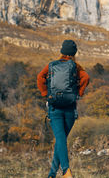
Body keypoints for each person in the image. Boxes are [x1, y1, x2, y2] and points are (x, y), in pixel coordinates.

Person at [37, 40, 90, 178]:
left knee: (60, 140)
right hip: (70, 108)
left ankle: (58, 173)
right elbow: (86, 77)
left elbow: (40, 77)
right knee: (61, 140)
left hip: (54, 107)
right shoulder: (76, 67)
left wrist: (45, 95)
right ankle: (61, 172)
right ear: (74, 53)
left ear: (62, 52)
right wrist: (79, 93)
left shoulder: (52, 66)